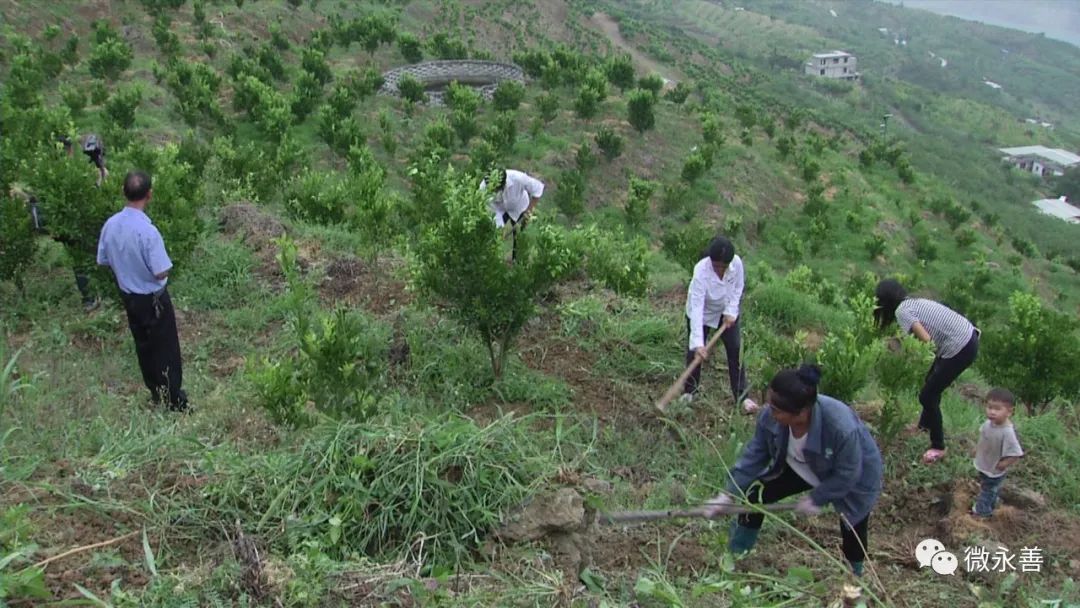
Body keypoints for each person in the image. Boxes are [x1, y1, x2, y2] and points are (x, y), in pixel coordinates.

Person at [704, 365, 883, 577]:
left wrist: (818, 498)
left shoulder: (840, 428)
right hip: (802, 464)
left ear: (801, 413)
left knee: (852, 523)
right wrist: (728, 494)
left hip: (854, 475)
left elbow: (848, 473)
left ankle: (854, 579)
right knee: (756, 494)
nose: (769, 412)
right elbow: (755, 456)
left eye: (776, 410)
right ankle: (737, 555)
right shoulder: (770, 416)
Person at [97, 170, 188, 412]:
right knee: (165, 350)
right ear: (150, 194)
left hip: (129, 298)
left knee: (144, 346)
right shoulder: (148, 232)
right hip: (153, 300)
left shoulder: (110, 225)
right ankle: (174, 400)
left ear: (123, 193)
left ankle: (156, 392)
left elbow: (104, 259)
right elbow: (161, 272)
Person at [874, 279, 979, 464]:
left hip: (960, 346)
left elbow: (926, 341)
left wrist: (905, 355)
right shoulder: (913, 302)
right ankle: (923, 427)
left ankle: (938, 446)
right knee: (931, 383)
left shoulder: (902, 311)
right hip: (966, 338)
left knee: (928, 396)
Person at [680, 236, 757, 413]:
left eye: (724, 266)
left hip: (726, 310)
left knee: (735, 350)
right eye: (717, 266)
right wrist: (699, 344)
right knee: (694, 353)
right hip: (703, 311)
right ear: (710, 260)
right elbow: (697, 308)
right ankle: (690, 392)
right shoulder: (701, 270)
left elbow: (738, 287)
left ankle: (741, 396)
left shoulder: (736, 264)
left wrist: (731, 311)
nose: (720, 269)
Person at [7, 182, 98, 311]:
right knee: (81, 260)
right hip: (66, 222)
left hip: (70, 220)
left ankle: (91, 296)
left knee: (82, 260)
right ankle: (90, 297)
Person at [972, 388, 1023, 518]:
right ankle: (992, 504)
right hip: (985, 463)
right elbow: (983, 436)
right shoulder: (988, 423)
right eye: (989, 407)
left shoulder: (1007, 432)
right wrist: (976, 449)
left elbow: (1016, 453)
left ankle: (982, 513)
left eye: (997, 409)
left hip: (994, 470)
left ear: (1009, 412)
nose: (992, 412)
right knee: (988, 488)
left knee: (987, 491)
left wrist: (1004, 464)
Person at [483, 169, 544, 262]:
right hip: (498, 209)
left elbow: (538, 188)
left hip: (519, 207)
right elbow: (492, 211)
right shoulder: (483, 189)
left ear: (503, 185)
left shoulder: (518, 178)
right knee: (495, 235)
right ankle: (493, 260)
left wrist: (529, 211)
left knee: (519, 237)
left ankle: (518, 263)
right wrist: (500, 230)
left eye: (496, 189)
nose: (494, 191)